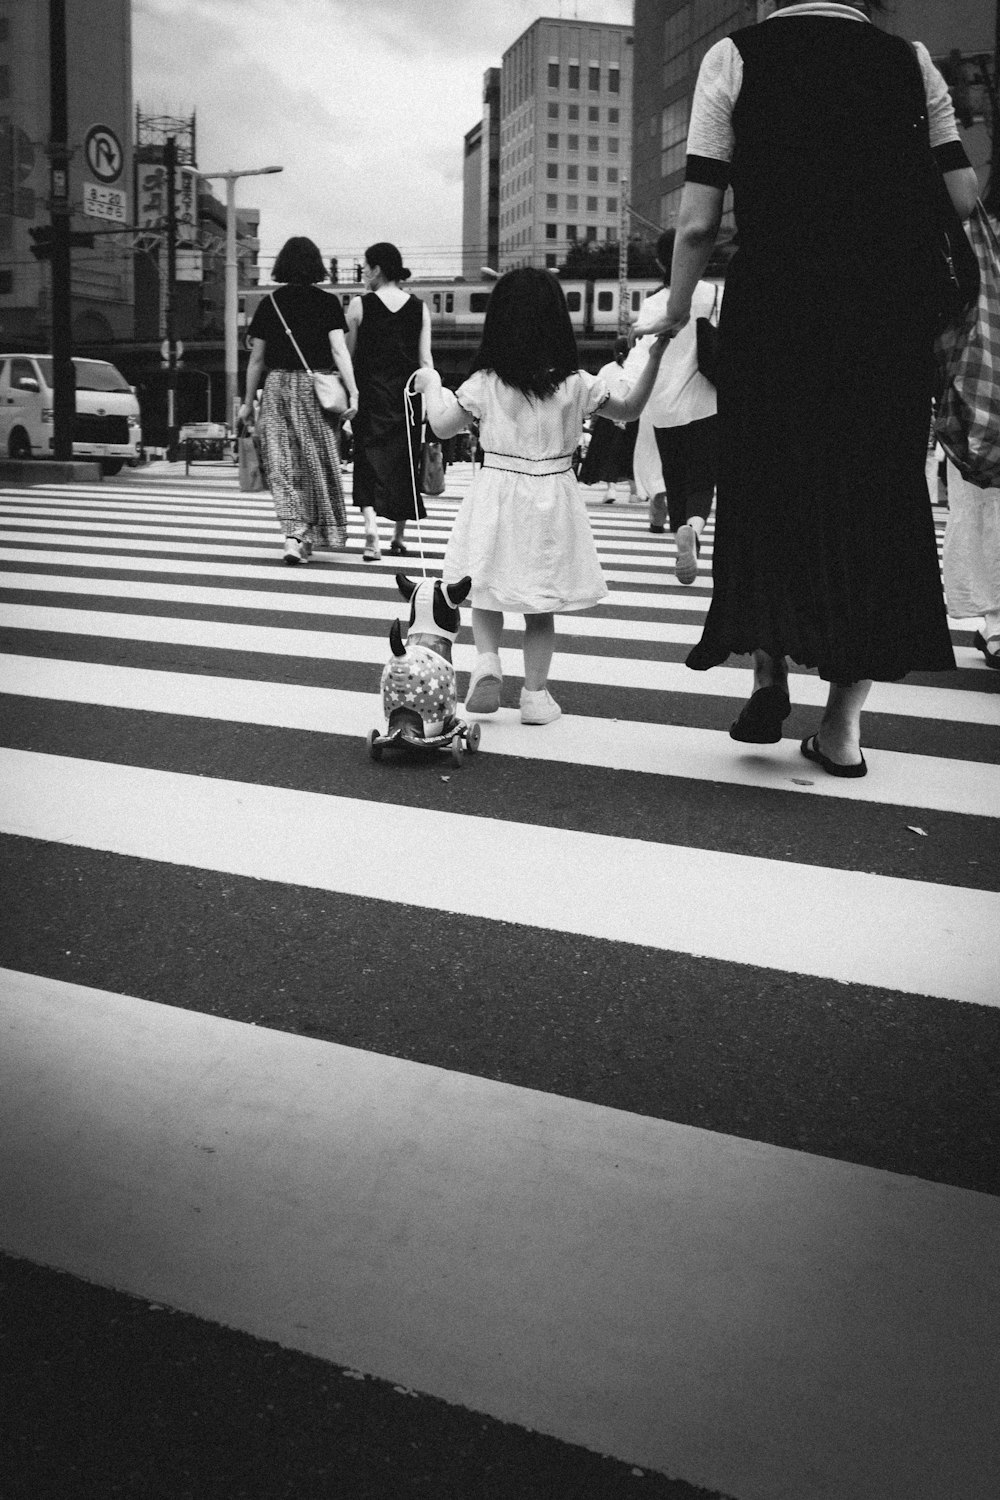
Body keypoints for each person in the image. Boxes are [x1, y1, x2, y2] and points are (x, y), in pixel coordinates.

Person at [641, 0, 979, 775]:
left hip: (777, 313)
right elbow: (963, 201)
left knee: (770, 488)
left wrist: (674, 313)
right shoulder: (913, 63)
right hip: (885, 322)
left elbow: (696, 222)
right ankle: (843, 729)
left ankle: (768, 670)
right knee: (874, 500)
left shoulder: (735, 57)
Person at [413, 268, 672, 725]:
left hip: (496, 489)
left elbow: (440, 425)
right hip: (552, 493)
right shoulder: (575, 384)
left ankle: (488, 663)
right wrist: (657, 354)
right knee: (541, 604)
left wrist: (433, 381)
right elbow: (630, 409)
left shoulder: (485, 382)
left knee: (486, 590)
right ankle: (535, 696)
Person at [239, 236, 358, 565]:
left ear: (283, 265)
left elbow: (256, 360)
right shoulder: (328, 303)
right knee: (317, 464)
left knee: (282, 465)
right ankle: (311, 532)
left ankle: (293, 535)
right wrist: (354, 390)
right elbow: (339, 351)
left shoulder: (270, 303)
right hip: (315, 389)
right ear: (316, 264)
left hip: (276, 387)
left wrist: (248, 401)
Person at [345, 242, 432, 561]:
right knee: (404, 464)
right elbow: (426, 361)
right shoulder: (419, 307)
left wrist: (350, 395)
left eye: (366, 267)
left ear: (378, 268)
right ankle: (398, 536)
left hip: (369, 398)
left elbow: (347, 356)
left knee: (367, 464)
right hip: (407, 401)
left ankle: (371, 532)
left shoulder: (359, 306)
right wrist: (430, 403)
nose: (364, 273)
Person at [578, 336, 638, 504]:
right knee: (630, 454)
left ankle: (611, 490)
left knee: (609, 455)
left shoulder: (606, 369)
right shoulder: (635, 368)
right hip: (631, 418)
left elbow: (599, 394)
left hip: (608, 417)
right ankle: (634, 492)